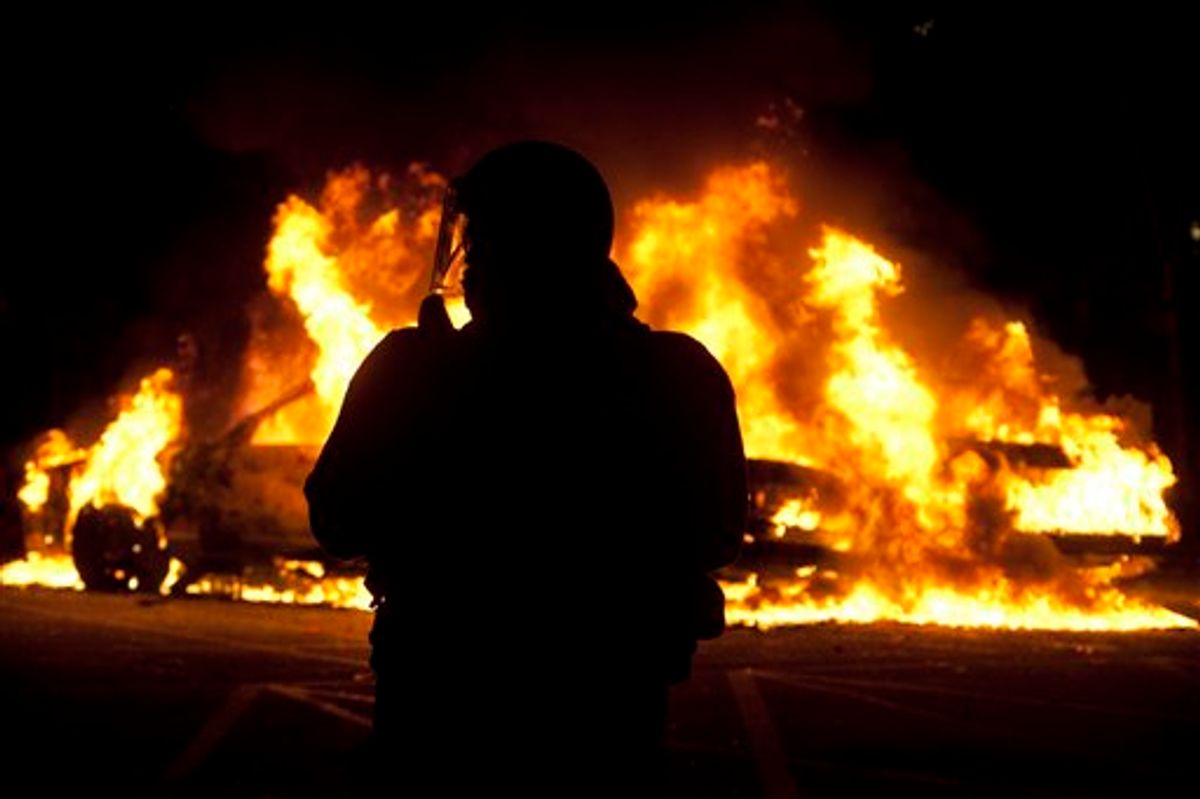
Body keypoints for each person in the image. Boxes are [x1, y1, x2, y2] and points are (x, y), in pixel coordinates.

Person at [304, 141, 746, 795]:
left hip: (440, 711)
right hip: (608, 715)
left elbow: (336, 518)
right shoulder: (678, 372)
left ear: (516, 250)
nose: (468, 259)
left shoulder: (416, 367)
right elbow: (717, 532)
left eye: (481, 240)